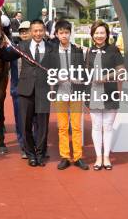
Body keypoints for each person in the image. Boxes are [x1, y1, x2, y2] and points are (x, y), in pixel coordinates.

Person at [1, 19, 59, 167]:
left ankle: (40, 154)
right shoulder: (22, 46)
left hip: (44, 91)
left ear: (44, 31)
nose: (38, 33)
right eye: (35, 31)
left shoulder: (52, 47)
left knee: (42, 125)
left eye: (41, 30)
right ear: (31, 32)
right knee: (25, 124)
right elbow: (5, 56)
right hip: (25, 90)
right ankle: (30, 154)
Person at [85, 20, 125, 171]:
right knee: (96, 126)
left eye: (102, 33)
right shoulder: (89, 51)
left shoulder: (114, 50)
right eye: (97, 33)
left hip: (110, 92)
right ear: (92, 35)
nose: (99, 36)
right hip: (93, 93)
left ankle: (106, 156)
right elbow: (85, 72)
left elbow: (121, 70)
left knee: (107, 126)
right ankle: (98, 157)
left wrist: (106, 77)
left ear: (107, 34)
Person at [53, 20, 89, 170]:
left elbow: (85, 71)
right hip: (60, 93)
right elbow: (47, 70)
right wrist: (55, 77)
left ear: (70, 33)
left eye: (66, 32)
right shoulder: (51, 52)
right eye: (61, 33)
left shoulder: (78, 50)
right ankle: (65, 157)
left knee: (76, 126)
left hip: (76, 92)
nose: (64, 35)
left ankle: (78, 157)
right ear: (56, 34)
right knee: (62, 127)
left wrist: (80, 79)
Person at [11, 20, 30, 158]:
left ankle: (35, 144)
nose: (24, 33)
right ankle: (23, 146)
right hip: (18, 90)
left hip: (35, 89)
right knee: (20, 119)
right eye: (22, 31)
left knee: (36, 119)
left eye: (27, 31)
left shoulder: (39, 48)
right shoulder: (13, 48)